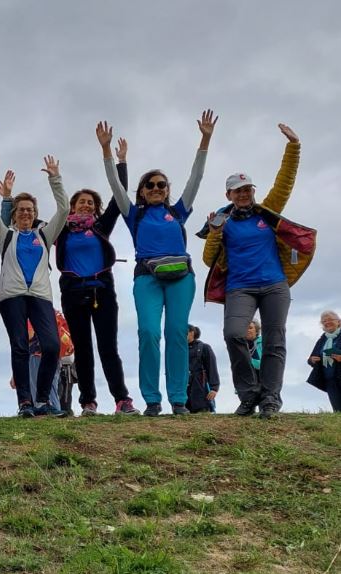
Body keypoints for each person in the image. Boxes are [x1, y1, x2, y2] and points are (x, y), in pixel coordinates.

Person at [97, 110, 218, 416]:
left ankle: (178, 399)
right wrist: (107, 152)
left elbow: (197, 178)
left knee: (177, 333)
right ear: (142, 191)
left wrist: (204, 140)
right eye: (149, 185)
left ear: (167, 190)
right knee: (149, 333)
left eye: (161, 185)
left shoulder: (178, 211)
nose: (155, 188)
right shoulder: (133, 214)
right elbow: (115, 186)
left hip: (181, 278)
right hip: (147, 278)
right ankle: (152, 399)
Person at [200, 124, 310, 419]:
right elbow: (208, 258)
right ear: (229, 194)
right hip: (240, 288)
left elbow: (284, 183)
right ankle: (249, 395)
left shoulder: (266, 211)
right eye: (239, 191)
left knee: (275, 340)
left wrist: (294, 146)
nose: (245, 194)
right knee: (234, 334)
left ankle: (271, 399)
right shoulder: (223, 222)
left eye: (248, 189)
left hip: (275, 285)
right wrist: (214, 232)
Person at [51, 136, 140, 417]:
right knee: (84, 350)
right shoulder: (62, 231)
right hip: (73, 294)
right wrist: (55, 178)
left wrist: (116, 158)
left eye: (91, 203)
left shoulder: (101, 227)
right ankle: (88, 402)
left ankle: (122, 399)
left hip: (103, 292)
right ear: (72, 206)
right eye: (82, 202)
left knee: (108, 348)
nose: (87, 206)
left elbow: (119, 192)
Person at [0, 150, 69, 417]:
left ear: (35, 213)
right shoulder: (5, 235)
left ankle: (43, 400)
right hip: (12, 297)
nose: (25, 214)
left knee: (52, 346)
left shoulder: (45, 234)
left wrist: (55, 178)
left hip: (41, 296)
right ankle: (25, 403)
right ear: (15, 214)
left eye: (29, 210)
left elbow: (64, 209)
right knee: (19, 346)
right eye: (20, 210)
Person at [307, 311, 341, 412]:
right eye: (324, 321)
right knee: (338, 411)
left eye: (330, 320)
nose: (327, 323)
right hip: (330, 380)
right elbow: (311, 357)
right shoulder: (323, 338)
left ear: (339, 322)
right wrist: (312, 360)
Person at [186, 325, 220, 413]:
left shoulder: (204, 348)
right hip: (184, 392)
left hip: (201, 390)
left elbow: (212, 367)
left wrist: (214, 388)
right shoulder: (179, 350)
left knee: (202, 414)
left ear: (192, 333)